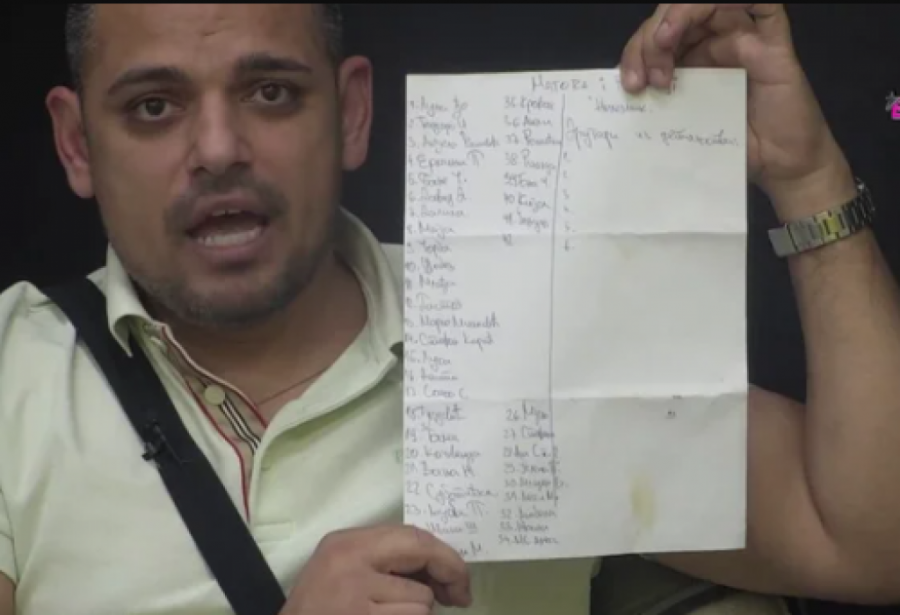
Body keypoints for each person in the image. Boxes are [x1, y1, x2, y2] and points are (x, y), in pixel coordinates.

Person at [0, 3, 898, 614]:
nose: (219, 148)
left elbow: (870, 543)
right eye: (154, 106)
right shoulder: (12, 368)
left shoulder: (532, 315)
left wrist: (806, 175)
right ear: (77, 144)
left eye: (271, 92)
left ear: (352, 113)